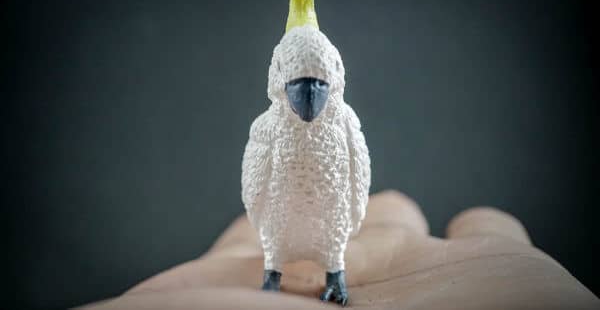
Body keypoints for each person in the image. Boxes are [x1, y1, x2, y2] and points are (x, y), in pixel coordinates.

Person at [80, 190, 598, 309]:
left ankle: (335, 279)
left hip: (333, 234)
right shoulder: (269, 126)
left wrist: (350, 210)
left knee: (332, 254)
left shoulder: (342, 121)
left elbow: (358, 172)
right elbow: (256, 180)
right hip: (283, 232)